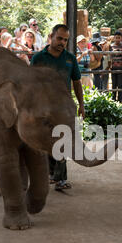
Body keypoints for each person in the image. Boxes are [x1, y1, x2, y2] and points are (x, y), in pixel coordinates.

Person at [30, 24, 85, 191]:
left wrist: (81, 104)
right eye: (59, 38)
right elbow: (31, 83)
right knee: (47, 141)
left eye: (66, 40)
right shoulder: (39, 58)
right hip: (44, 107)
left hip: (64, 108)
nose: (62, 42)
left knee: (63, 141)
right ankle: (51, 174)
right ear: (50, 37)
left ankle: (60, 178)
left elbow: (76, 82)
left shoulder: (70, 58)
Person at [109, 31, 122, 103]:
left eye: (119, 38)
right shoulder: (111, 46)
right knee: (114, 85)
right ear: (114, 38)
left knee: (120, 85)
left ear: (121, 38)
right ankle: (113, 100)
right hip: (113, 67)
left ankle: (120, 101)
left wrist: (119, 50)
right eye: (116, 38)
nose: (117, 39)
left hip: (121, 68)